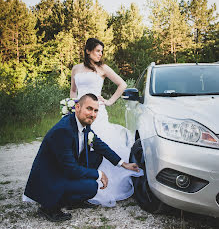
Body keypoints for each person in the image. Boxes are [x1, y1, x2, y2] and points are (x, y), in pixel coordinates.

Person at [24, 94, 140, 222]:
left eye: (96, 110)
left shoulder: (83, 123)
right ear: (77, 107)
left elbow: (99, 145)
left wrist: (123, 164)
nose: (93, 114)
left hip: (64, 171)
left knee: (96, 155)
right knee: (91, 186)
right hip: (51, 179)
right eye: (89, 109)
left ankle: (73, 201)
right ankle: (48, 207)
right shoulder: (63, 130)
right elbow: (70, 169)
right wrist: (98, 173)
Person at [70, 38, 143, 207]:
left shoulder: (102, 68)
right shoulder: (76, 69)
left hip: (97, 112)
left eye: (102, 51)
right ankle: (79, 184)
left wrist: (109, 101)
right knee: (79, 145)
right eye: (97, 50)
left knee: (99, 145)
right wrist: (72, 106)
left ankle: (105, 185)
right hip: (79, 112)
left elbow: (122, 84)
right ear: (88, 51)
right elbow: (74, 90)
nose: (100, 54)